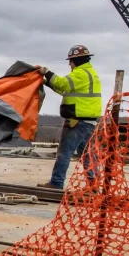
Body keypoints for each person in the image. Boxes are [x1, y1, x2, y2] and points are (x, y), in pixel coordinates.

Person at [35, 45, 102, 190]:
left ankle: (56, 183)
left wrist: (47, 73)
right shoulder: (90, 73)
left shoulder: (80, 73)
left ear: (76, 60)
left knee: (64, 152)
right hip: (88, 121)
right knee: (88, 155)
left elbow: (62, 83)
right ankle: (94, 185)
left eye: (70, 61)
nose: (69, 64)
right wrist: (47, 83)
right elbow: (64, 89)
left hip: (77, 121)